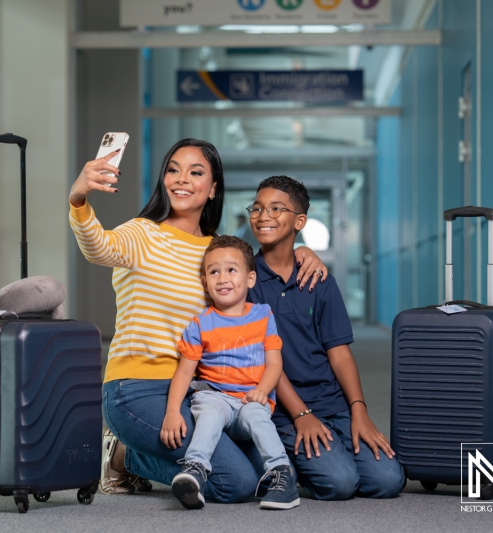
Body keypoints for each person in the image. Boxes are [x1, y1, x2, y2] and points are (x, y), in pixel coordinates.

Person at [68, 139, 327, 502]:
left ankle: (142, 453)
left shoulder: (218, 248)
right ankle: (126, 457)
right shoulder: (143, 233)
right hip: (137, 387)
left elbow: (251, 278)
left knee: (264, 474)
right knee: (234, 483)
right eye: (173, 169)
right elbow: (98, 246)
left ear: (213, 188)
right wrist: (79, 199)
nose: (181, 179)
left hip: (201, 391)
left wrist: (301, 250)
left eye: (196, 171)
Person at [246, 175, 405, 500]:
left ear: (299, 221)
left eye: (277, 208)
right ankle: (285, 459)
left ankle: (324, 450)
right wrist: (302, 416)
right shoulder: (246, 282)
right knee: (341, 482)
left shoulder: (320, 281)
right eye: (258, 208)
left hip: (333, 405)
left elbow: (340, 354)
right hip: (284, 411)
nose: (263, 216)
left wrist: (359, 411)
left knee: (389, 481)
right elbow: (264, 362)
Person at [161, 235, 298, 511]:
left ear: (250, 279)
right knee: (209, 410)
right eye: (214, 272)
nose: (222, 278)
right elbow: (184, 373)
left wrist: (262, 389)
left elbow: (274, 364)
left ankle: (283, 475)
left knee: (256, 415)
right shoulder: (200, 323)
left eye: (231, 270)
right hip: (216, 397)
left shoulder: (262, 315)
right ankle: (196, 470)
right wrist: (172, 411)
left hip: (250, 399)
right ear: (205, 283)